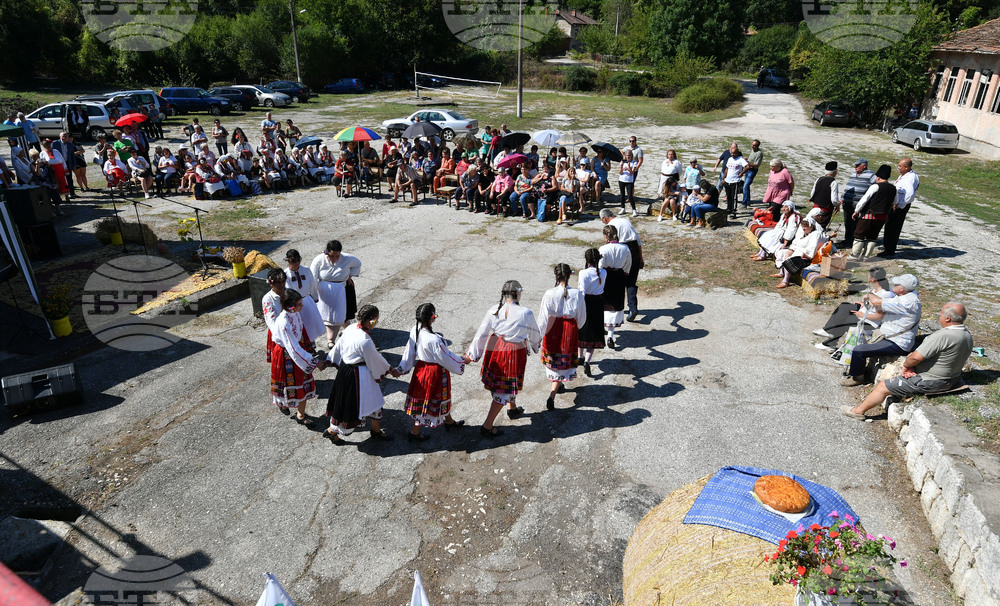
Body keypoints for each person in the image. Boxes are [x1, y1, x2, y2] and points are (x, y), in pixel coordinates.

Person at [843, 302, 973, 420]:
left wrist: (907, 365)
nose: (939, 315)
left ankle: (858, 411)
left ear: (947, 318)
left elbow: (915, 358)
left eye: (941, 313)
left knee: (882, 386)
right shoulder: (966, 334)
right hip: (953, 378)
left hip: (931, 381)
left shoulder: (942, 336)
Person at [467, 280, 542, 437]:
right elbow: (534, 332)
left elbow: (482, 332)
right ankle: (487, 425)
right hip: (513, 352)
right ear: (517, 293)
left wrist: (472, 354)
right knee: (504, 388)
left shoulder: (494, 310)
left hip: (495, 348)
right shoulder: (525, 313)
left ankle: (512, 408)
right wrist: (535, 345)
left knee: (503, 382)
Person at [395, 303, 471, 441]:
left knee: (427, 399)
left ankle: (449, 421)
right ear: (431, 317)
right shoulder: (434, 339)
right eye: (435, 315)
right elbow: (445, 357)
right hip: (435, 372)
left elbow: (409, 352)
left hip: (421, 370)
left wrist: (401, 368)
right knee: (433, 399)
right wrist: (462, 360)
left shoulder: (415, 330)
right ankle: (414, 432)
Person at [322, 304, 394, 444]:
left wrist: (329, 359)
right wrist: (390, 369)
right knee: (351, 406)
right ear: (370, 321)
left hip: (346, 371)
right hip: (358, 376)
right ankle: (332, 431)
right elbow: (375, 359)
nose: (376, 322)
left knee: (372, 400)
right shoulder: (364, 341)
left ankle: (376, 430)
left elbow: (338, 346)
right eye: (376, 320)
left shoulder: (351, 328)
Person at [841, 274, 921, 386]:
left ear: (902, 289)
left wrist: (869, 295)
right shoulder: (907, 296)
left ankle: (857, 378)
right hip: (891, 337)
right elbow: (880, 304)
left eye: (896, 284)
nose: (893, 285)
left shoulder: (907, 302)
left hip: (897, 343)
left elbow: (878, 302)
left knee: (859, 350)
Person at [538, 263, 588, 410]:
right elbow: (582, 317)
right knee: (564, 359)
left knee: (555, 359)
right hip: (569, 329)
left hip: (553, 328)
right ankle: (553, 392)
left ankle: (555, 389)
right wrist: (575, 328)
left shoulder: (549, 293)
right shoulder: (577, 294)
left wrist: (539, 336)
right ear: (570, 275)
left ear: (556, 276)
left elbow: (543, 317)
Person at [269, 289, 321, 426]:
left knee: (303, 383)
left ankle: (300, 415)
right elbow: (292, 348)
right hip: (286, 354)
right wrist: (313, 361)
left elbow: (299, 335)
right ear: (290, 306)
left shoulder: (295, 313)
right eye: (299, 304)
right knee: (287, 384)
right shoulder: (283, 322)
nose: (302, 306)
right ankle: (283, 404)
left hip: (297, 351)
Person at [813, 267, 890, 350]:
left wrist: (862, 315)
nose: (867, 276)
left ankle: (829, 342)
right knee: (844, 306)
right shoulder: (878, 288)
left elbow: (879, 317)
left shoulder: (884, 294)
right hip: (864, 312)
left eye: (868, 275)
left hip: (869, 323)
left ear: (873, 279)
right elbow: (872, 306)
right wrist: (863, 303)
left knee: (845, 319)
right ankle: (827, 332)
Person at [309, 240, 362, 346]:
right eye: (331, 256)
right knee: (328, 316)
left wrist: (350, 275)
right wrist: (314, 295)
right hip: (325, 292)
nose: (334, 258)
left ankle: (347, 331)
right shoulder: (319, 259)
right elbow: (313, 277)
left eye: (337, 256)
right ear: (326, 252)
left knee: (342, 314)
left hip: (342, 289)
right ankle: (331, 340)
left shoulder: (347, 258)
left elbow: (358, 264)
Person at [600, 208, 643, 322]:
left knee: (617, 281)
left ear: (604, 218)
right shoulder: (626, 220)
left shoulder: (611, 226)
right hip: (634, 250)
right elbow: (638, 241)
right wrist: (640, 258)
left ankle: (614, 307)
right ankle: (633, 308)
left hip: (623, 250)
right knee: (631, 282)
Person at [850, 164, 896, 260]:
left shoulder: (875, 186)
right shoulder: (893, 188)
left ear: (878, 177)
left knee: (859, 234)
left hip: (869, 215)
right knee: (872, 236)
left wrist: (856, 211)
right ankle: (866, 257)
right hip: (882, 217)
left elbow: (864, 200)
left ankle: (854, 256)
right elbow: (896, 202)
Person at [599, 224, 631, 348]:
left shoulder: (603, 249)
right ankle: (610, 335)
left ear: (605, 236)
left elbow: (600, 265)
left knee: (604, 304)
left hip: (606, 277)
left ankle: (602, 329)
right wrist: (625, 272)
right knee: (614, 305)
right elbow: (628, 263)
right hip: (618, 277)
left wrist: (599, 275)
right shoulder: (625, 248)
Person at [284, 249, 324, 344]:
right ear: (288, 261)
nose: (296, 263)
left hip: (306, 300)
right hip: (295, 303)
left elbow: (312, 284)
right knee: (298, 325)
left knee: (310, 324)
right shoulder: (286, 274)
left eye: (298, 260)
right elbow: (287, 290)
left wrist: (314, 297)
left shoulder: (306, 270)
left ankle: (311, 344)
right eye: (293, 261)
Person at [772, 217, 825, 289]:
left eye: (806, 226)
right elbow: (794, 244)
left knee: (791, 260)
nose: (803, 228)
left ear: (811, 226)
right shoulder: (802, 234)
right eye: (803, 226)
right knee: (781, 252)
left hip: (805, 257)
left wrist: (806, 255)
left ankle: (786, 281)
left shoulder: (816, 234)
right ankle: (782, 273)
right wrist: (789, 252)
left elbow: (813, 246)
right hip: (797, 252)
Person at [880, 158, 918, 258]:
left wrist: (900, 204)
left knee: (893, 227)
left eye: (900, 166)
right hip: (896, 204)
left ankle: (889, 250)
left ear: (907, 167)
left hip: (899, 207)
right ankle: (888, 247)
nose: (898, 168)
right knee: (889, 226)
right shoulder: (904, 175)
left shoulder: (910, 178)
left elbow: (910, 194)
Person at [577, 248, 607, 377]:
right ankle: (587, 362)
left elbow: (582, 291)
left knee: (582, 329)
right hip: (598, 303)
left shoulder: (583, 273)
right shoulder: (604, 272)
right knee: (594, 333)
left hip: (586, 302)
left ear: (587, 260)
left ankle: (580, 357)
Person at [839, 158, 876, 248]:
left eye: (857, 165)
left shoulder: (871, 175)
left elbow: (874, 188)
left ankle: (852, 241)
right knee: (847, 222)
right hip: (847, 203)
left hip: (858, 205)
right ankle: (847, 239)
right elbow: (848, 187)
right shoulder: (853, 174)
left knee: (855, 224)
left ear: (864, 166)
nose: (855, 167)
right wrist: (843, 197)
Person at [806, 161, 840, 230]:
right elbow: (834, 200)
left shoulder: (819, 179)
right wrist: (837, 205)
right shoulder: (834, 182)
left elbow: (812, 194)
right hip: (825, 211)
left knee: (812, 226)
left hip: (815, 208)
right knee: (820, 228)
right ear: (835, 171)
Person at [721, 142, 748, 218]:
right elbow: (727, 169)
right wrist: (723, 178)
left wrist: (741, 173)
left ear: (737, 153)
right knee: (728, 196)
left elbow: (747, 166)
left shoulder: (740, 159)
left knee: (734, 196)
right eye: (732, 153)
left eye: (734, 153)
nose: (733, 155)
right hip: (728, 180)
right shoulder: (730, 159)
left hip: (735, 181)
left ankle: (733, 210)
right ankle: (729, 208)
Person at [618, 149, 638, 217]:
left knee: (630, 196)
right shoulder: (623, 162)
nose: (628, 157)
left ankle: (634, 210)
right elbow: (620, 172)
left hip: (629, 181)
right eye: (627, 155)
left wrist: (629, 167)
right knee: (622, 195)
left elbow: (632, 173)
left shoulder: (634, 162)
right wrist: (621, 166)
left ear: (631, 156)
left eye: (629, 155)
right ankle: (622, 208)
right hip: (622, 180)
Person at [742, 140, 763, 206]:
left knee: (745, 186)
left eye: (754, 145)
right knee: (746, 186)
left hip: (752, 170)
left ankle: (744, 203)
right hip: (748, 169)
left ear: (758, 146)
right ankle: (748, 201)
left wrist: (747, 161)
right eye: (752, 145)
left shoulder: (759, 153)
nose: (752, 146)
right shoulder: (753, 150)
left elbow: (756, 165)